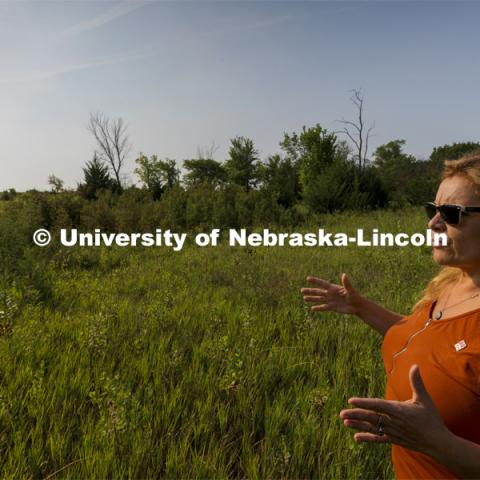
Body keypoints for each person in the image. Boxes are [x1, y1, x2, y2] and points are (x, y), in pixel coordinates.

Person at [300, 152, 480, 479]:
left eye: (452, 214)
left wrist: (435, 442)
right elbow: (425, 340)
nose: (433, 223)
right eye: (433, 210)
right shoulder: (455, 281)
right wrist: (361, 308)